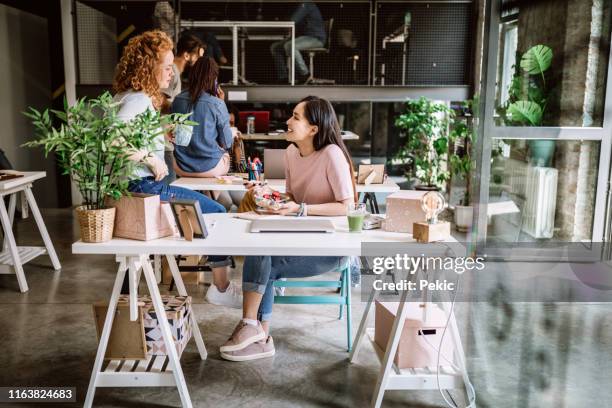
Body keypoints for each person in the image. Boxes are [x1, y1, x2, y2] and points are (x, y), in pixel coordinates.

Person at [219, 96, 357, 361]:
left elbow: (346, 207)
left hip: (330, 249)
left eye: (296, 116)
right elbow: (292, 200)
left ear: (314, 129)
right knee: (260, 250)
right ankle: (259, 334)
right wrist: (267, 194)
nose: (288, 121)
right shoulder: (292, 153)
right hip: (300, 238)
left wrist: (301, 209)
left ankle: (254, 329)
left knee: (263, 257)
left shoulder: (332, 155)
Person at [112, 30, 241, 308]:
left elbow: (126, 134)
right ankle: (220, 287)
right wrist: (151, 157)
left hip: (137, 189)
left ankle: (219, 285)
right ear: (149, 66)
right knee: (218, 211)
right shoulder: (138, 100)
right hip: (144, 188)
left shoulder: (126, 95)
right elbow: (112, 138)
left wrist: (160, 134)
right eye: (167, 66)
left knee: (209, 210)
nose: (172, 73)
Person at [171, 57, 237, 179]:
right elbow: (226, 142)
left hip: (180, 166)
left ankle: (208, 196)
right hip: (210, 168)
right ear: (214, 79)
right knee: (226, 156)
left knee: (223, 197)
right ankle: (210, 196)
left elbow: (179, 137)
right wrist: (221, 103)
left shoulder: (178, 100)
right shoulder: (216, 104)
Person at [161, 33, 205, 184]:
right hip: (163, 142)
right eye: (196, 55)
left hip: (168, 140)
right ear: (186, 55)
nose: (198, 60)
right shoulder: (172, 72)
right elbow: (159, 100)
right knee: (168, 188)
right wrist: (182, 107)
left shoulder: (175, 73)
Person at [270, 1, 326, 83]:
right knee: (275, 47)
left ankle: (305, 75)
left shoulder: (306, 4)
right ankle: (283, 77)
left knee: (290, 45)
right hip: (302, 37)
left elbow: (293, 20)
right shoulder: (296, 6)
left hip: (315, 38)